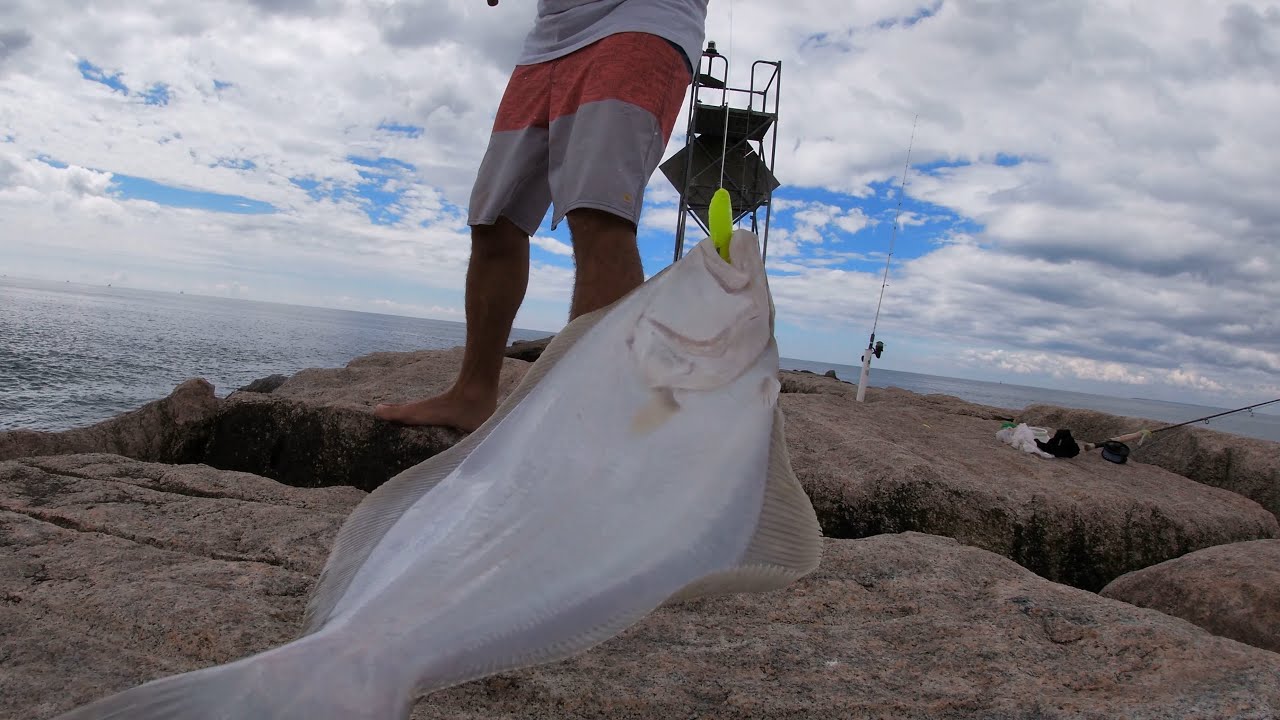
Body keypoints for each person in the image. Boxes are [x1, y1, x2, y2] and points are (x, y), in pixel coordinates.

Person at [375, 0, 711, 431]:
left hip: (642, 18)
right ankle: (472, 395)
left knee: (599, 209)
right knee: (494, 217)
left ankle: (583, 420)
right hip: (550, 36)